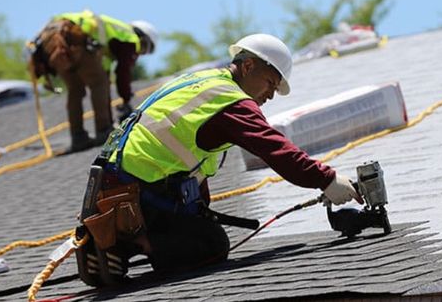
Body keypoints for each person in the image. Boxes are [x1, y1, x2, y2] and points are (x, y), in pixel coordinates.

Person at [75, 33, 363, 286]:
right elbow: (276, 149)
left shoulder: (202, 81)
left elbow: (188, 164)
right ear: (248, 66)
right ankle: (130, 242)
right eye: (270, 84)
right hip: (137, 191)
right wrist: (326, 179)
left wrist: (198, 210)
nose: (270, 96)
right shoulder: (231, 101)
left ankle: (112, 240)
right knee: (211, 244)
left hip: (116, 187)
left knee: (199, 225)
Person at [26, 10, 157, 153]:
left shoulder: (108, 43)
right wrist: (126, 100)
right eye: (145, 48)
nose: (140, 53)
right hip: (73, 37)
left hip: (53, 42)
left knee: (76, 90)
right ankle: (103, 131)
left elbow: (107, 75)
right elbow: (122, 72)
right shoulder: (130, 38)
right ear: (142, 36)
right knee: (98, 84)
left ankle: (78, 138)